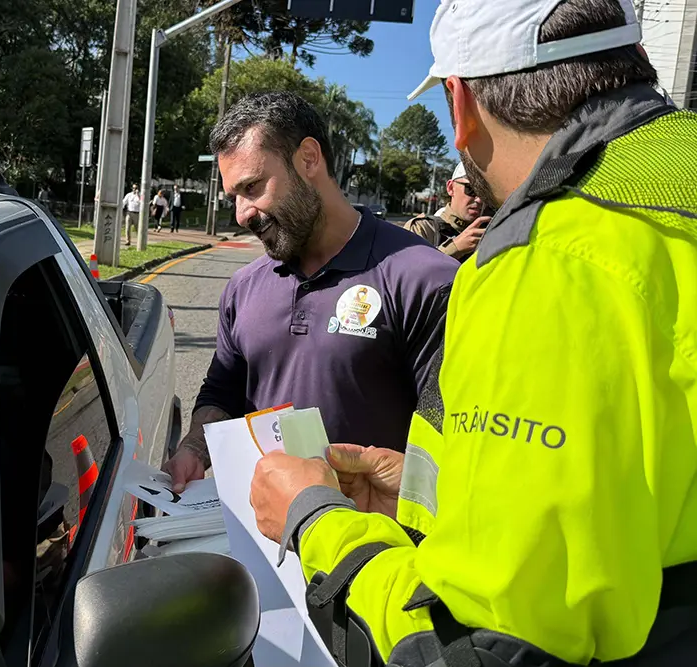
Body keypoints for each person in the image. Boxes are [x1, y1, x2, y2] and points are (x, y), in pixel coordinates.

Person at [248, 1, 697, 666]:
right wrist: (436, 494)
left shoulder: (549, 261)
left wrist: (315, 520)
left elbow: (478, 646)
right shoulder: (669, 193)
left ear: (459, 104)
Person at [163, 92, 459, 492]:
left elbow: (453, 446)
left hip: (377, 547)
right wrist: (195, 449)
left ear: (308, 159)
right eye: (234, 195)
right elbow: (225, 389)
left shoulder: (425, 280)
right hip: (261, 540)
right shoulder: (243, 287)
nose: (241, 213)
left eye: (252, 187)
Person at [403, 162, 488, 262]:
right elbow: (408, 273)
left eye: (484, 193)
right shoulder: (423, 228)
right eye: (471, 189)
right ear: (451, 188)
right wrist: (454, 248)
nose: (479, 200)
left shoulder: (489, 234)